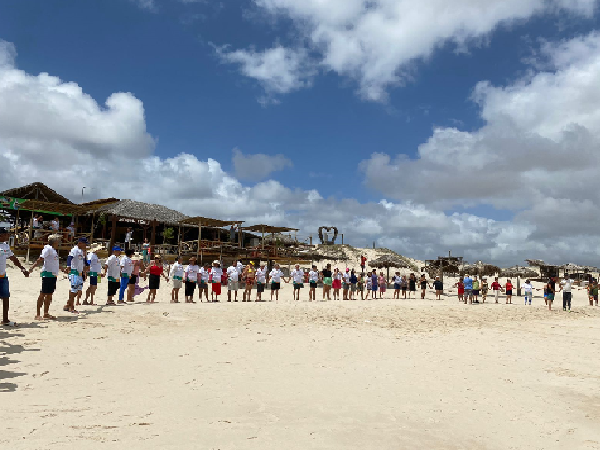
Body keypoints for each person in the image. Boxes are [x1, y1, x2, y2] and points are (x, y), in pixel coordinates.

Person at [0, 227, 29, 327]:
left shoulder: (5, 246)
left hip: (2, 276)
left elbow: (13, 258)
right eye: (6, 234)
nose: (8, 236)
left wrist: (22, 268)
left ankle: (5, 320)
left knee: (6, 297)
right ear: (1, 235)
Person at [29, 234, 62, 320]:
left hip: (53, 274)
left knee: (49, 294)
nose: (59, 242)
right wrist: (32, 267)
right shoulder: (47, 249)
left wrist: (63, 269)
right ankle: (38, 314)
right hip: (47, 274)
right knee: (43, 293)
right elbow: (40, 259)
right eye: (58, 240)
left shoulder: (53, 251)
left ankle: (46, 313)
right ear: (55, 242)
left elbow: (55, 263)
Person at [65, 236, 88, 313]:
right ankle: (71, 307)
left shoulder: (81, 251)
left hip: (80, 273)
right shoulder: (74, 250)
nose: (85, 246)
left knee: (77, 291)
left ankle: (68, 304)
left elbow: (83, 261)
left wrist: (85, 269)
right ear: (80, 243)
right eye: (84, 244)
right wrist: (68, 267)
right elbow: (69, 258)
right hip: (74, 273)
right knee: (74, 291)